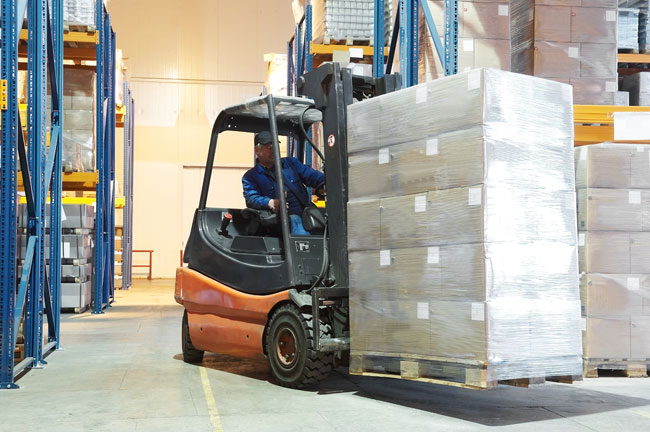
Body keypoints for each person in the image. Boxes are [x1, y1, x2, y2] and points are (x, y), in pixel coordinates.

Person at [242, 131, 324, 235]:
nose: (274, 151)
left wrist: (327, 180)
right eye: (269, 147)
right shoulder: (250, 177)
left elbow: (312, 176)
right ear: (257, 151)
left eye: (276, 146)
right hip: (280, 220)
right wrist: (269, 202)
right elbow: (251, 199)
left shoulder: (290, 163)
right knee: (297, 224)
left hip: (305, 211)